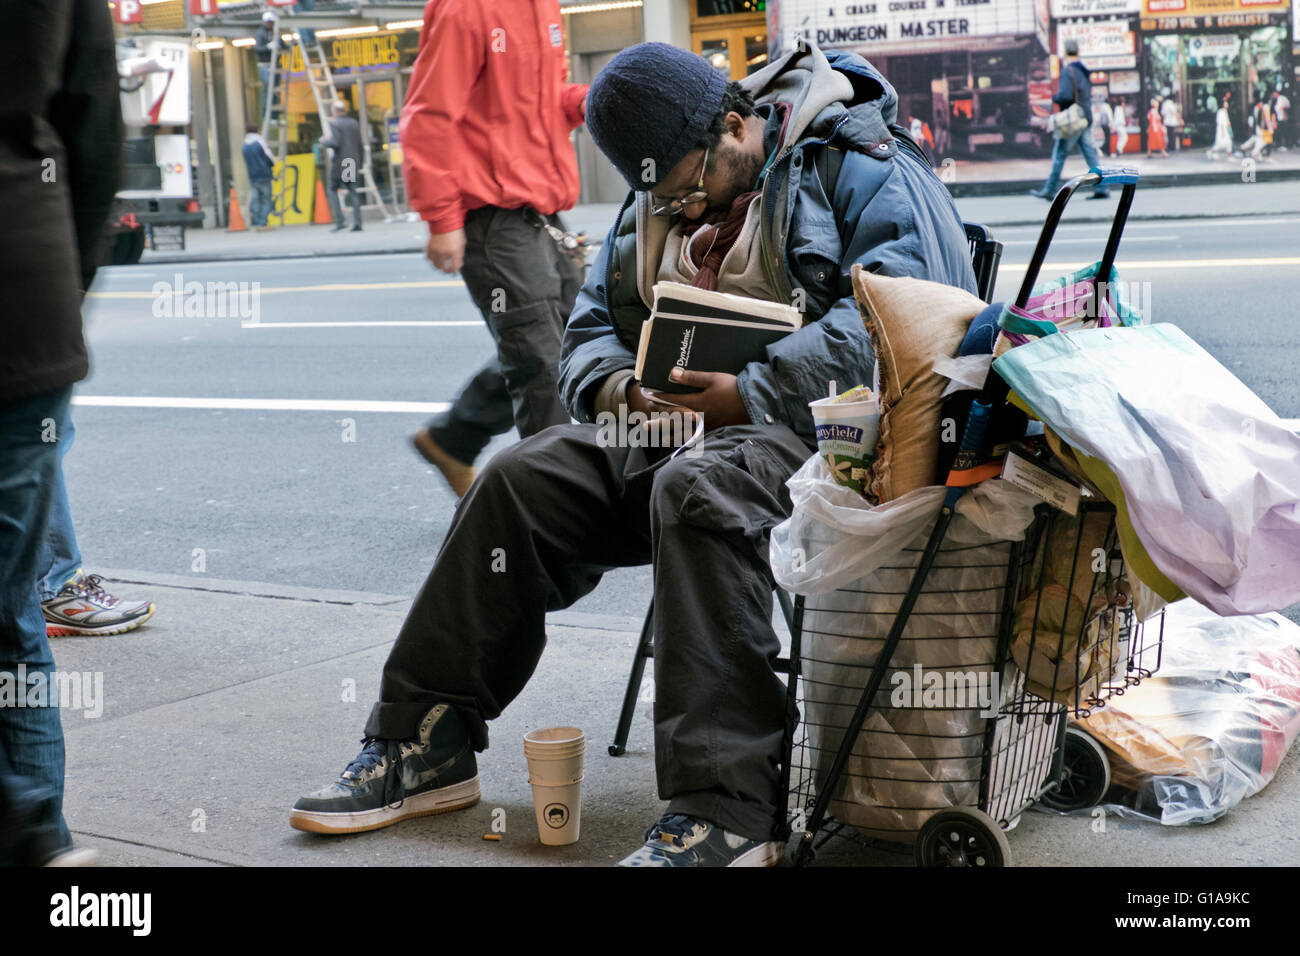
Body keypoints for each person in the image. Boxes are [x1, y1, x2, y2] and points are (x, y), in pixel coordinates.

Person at [290, 40, 978, 867]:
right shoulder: (657, 195)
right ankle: (424, 739)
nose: (679, 210)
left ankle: (727, 812)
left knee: (698, 489)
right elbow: (586, 334)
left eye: (691, 186)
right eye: (660, 196)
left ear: (735, 125)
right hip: (673, 432)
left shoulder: (860, 159)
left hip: (826, 441)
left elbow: (914, 315)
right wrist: (622, 394)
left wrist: (751, 390)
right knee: (516, 477)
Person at [0, 0, 120, 865]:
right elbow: (95, 123)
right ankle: (36, 829)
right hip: (23, 301)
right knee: (10, 614)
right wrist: (60, 286)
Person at [401, 0, 589, 499]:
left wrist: (587, 102)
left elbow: (540, 101)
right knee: (545, 367)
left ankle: (453, 438)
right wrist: (442, 218)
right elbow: (430, 114)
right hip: (492, 215)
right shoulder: (467, 8)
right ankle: (554, 509)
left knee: (574, 342)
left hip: (539, 210)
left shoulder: (542, 7)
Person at [1029, 40, 1109, 200]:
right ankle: (1102, 188)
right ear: (1077, 51)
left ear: (1065, 53)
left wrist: (1054, 98)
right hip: (1084, 117)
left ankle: (1050, 189)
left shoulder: (1068, 71)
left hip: (1073, 120)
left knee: (1060, 153)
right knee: (1090, 154)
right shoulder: (1083, 71)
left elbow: (1065, 96)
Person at [319, 101, 363, 233]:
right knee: (352, 191)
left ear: (335, 111)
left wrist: (324, 141)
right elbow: (360, 144)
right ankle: (357, 222)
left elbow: (336, 142)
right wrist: (361, 162)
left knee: (332, 189)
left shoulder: (336, 123)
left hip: (340, 161)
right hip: (351, 161)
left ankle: (340, 220)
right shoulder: (354, 123)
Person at [241, 123, 275, 230]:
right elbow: (269, 157)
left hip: (252, 176)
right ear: (257, 130)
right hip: (264, 174)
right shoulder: (260, 142)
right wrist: (272, 164)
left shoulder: (245, 145)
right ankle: (262, 222)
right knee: (266, 199)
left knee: (255, 198)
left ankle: (256, 218)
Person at [252, 11, 277, 120]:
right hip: (264, 65)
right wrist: (268, 47)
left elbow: (282, 45)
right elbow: (256, 48)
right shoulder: (260, 33)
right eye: (268, 22)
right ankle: (266, 114)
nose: (270, 24)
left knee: (275, 90)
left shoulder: (275, 32)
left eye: (271, 22)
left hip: (274, 64)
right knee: (268, 88)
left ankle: (274, 115)